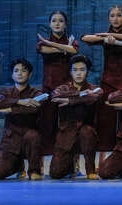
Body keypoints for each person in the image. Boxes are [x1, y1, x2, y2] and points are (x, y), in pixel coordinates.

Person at [81, 5, 122, 154]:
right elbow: (84, 38)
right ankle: (104, 155)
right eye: (112, 16)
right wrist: (105, 37)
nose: (115, 19)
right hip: (108, 80)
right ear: (108, 18)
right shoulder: (105, 36)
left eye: (119, 15)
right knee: (106, 119)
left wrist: (113, 37)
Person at [49, 54, 101, 179]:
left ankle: (90, 170)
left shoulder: (94, 89)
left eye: (82, 70)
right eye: (75, 70)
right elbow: (55, 96)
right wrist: (80, 94)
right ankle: (71, 165)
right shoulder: (63, 88)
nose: (78, 73)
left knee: (87, 132)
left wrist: (70, 101)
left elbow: (94, 96)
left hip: (85, 133)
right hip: (66, 134)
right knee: (56, 173)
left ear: (87, 72)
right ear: (70, 72)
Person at [0, 58, 44, 180]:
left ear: (30, 74)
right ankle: (18, 166)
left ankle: (34, 170)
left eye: (23, 71)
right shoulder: (6, 92)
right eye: (16, 71)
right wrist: (20, 101)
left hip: (29, 137)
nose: (19, 73)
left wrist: (10, 109)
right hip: (11, 138)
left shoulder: (36, 92)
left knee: (33, 136)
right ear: (12, 75)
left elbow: (34, 109)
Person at [36, 11, 79, 157]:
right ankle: (44, 158)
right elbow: (43, 49)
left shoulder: (71, 41)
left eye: (61, 21)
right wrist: (64, 48)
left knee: (68, 123)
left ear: (65, 24)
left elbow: (74, 50)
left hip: (67, 87)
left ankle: (69, 156)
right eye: (54, 20)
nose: (57, 23)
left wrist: (51, 43)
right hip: (48, 86)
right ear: (49, 24)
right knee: (47, 122)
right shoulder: (42, 43)